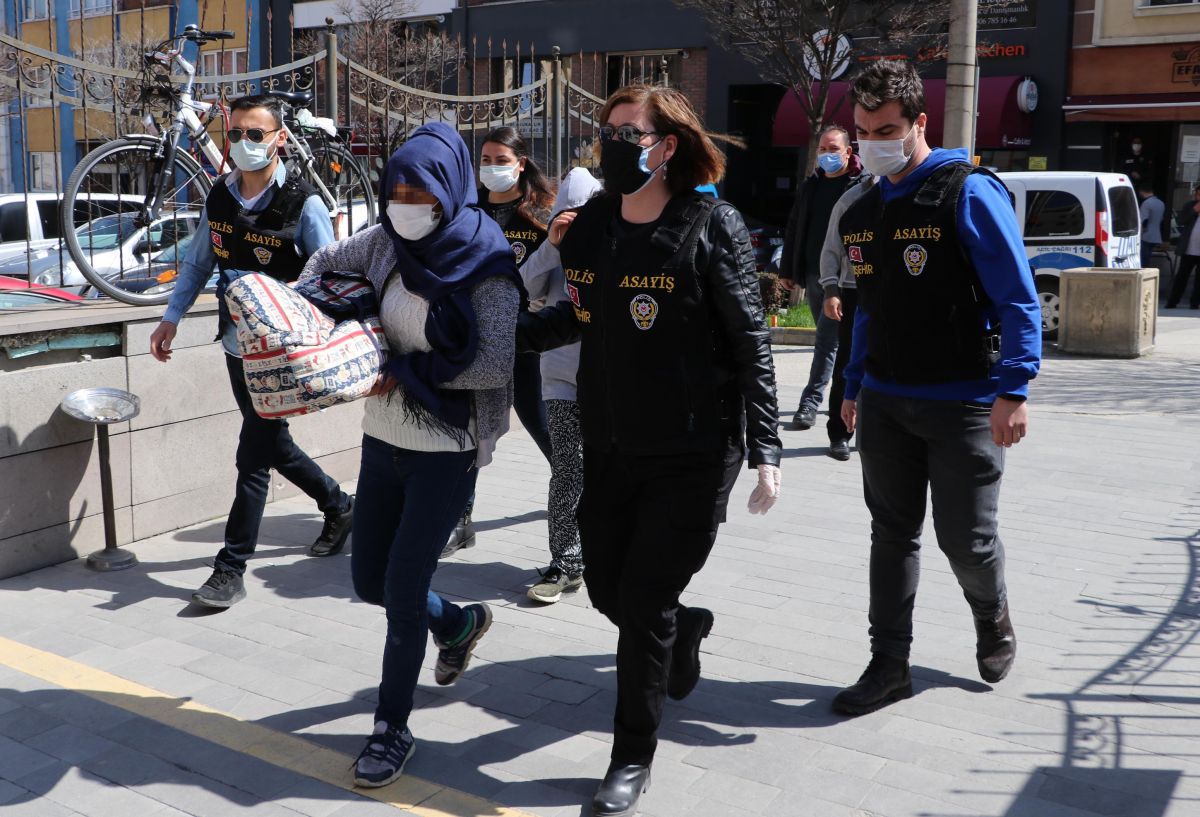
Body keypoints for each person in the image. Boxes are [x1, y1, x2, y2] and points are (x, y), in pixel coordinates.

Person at [518, 85, 782, 817]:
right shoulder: (598, 221)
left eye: (629, 131)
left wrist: (767, 446)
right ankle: (683, 626)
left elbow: (750, 340)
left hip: (693, 452)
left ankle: (630, 754)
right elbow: (584, 309)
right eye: (606, 130)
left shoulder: (710, 224)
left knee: (641, 598)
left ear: (667, 146)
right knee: (609, 589)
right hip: (611, 443)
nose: (613, 143)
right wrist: (508, 329)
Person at [300, 122, 523, 787]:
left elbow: (494, 365)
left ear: (449, 190)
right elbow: (318, 266)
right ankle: (457, 622)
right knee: (369, 579)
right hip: (381, 440)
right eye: (395, 189)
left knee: (399, 591)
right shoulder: (385, 243)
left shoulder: (487, 265)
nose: (405, 202)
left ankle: (389, 728)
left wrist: (401, 369)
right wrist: (337, 329)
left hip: (445, 449)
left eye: (418, 191)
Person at [832, 60, 1041, 716]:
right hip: (888, 401)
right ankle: (889, 662)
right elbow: (870, 307)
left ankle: (992, 614)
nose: (874, 143)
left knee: (966, 540)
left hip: (967, 403)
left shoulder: (969, 193)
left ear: (921, 122)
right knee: (891, 533)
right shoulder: (862, 209)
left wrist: (1015, 388)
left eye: (888, 129)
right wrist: (853, 384)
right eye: (863, 131)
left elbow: (1018, 298)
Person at [149, 94, 354, 608]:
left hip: (284, 352)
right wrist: (170, 317)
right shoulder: (219, 197)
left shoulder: (303, 204)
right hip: (238, 347)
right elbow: (197, 264)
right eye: (235, 133)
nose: (243, 143)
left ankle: (230, 567)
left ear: (279, 139)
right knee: (270, 442)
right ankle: (338, 504)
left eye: (255, 134)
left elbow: (331, 276)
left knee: (254, 454)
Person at [440, 126, 556, 558]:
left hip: (528, 342)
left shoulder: (542, 214)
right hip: (475, 340)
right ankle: (459, 520)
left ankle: (578, 493)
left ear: (521, 163)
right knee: (469, 431)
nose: (491, 169)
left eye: (500, 161)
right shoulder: (469, 212)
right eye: (485, 160)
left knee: (542, 424)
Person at [518, 168, 603, 603]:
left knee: (608, 472)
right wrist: (551, 246)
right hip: (560, 380)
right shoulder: (551, 249)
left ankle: (605, 554)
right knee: (568, 471)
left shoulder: (613, 245)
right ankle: (566, 563)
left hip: (611, 381)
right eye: (567, 213)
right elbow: (523, 289)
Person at [780, 125, 864, 431]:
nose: (827, 155)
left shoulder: (861, 186)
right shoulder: (811, 186)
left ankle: (812, 403)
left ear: (848, 152)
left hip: (846, 280)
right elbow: (794, 226)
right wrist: (788, 270)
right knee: (831, 341)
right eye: (822, 149)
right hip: (814, 274)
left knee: (829, 341)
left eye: (833, 149)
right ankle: (842, 402)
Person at [817, 171, 875, 461]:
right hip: (854, 289)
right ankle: (839, 433)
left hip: (897, 290)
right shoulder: (852, 199)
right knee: (848, 361)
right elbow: (830, 248)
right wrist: (831, 289)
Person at [1166, 183, 1200, 310]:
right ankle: (1173, 301)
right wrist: (1194, 211)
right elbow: (1180, 221)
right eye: (1196, 194)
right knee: (1181, 277)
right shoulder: (1189, 206)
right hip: (1188, 249)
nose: (1197, 197)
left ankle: (1195, 303)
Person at [1137, 183, 1165, 270]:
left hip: (1145, 236)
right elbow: (1161, 219)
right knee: (1147, 257)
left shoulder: (1146, 203)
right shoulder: (1161, 203)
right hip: (1156, 235)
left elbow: (1143, 220)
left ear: (1142, 192)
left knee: (1143, 260)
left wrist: (1140, 234)